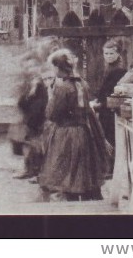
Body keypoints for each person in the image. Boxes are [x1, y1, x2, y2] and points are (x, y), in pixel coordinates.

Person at [37, 49, 105, 201]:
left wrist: (50, 95)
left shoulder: (62, 87)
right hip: (84, 133)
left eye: (53, 67)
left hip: (66, 135)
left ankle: (72, 207)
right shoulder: (83, 83)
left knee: (67, 176)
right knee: (83, 176)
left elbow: (51, 114)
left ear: (57, 67)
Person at [91, 38, 126, 151]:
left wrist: (99, 103)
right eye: (106, 53)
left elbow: (112, 92)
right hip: (105, 107)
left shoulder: (119, 71)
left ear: (118, 54)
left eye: (112, 53)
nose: (109, 56)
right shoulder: (107, 69)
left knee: (110, 139)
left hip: (111, 109)